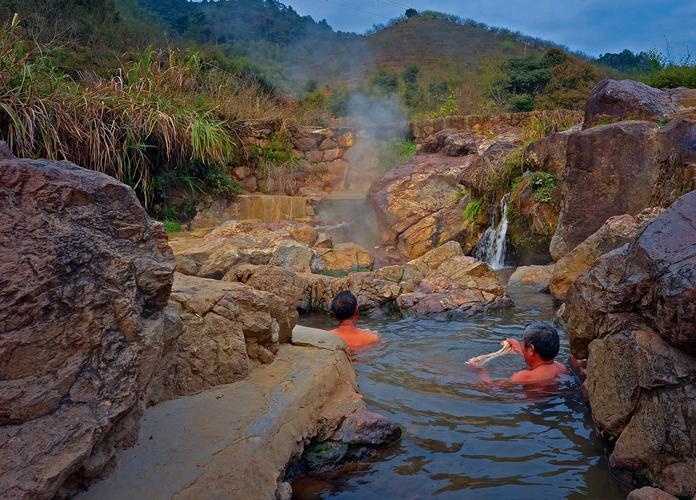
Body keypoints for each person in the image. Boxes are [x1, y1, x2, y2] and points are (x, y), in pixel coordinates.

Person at [471, 321, 568, 386]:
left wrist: (480, 370)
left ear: (531, 349)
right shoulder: (561, 368)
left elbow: (489, 386)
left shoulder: (524, 376)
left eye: (522, 343)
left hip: (527, 409)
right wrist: (521, 351)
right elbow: (540, 362)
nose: (521, 345)